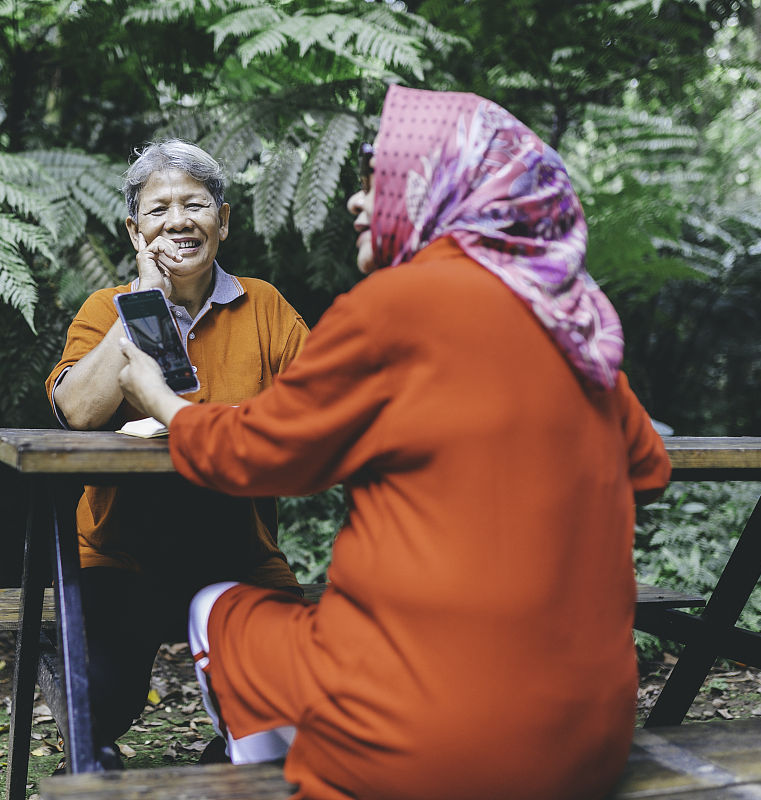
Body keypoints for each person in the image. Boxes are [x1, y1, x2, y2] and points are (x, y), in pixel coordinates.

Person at [116, 87, 672, 799]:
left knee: (215, 608)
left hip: (429, 736)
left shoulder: (396, 305)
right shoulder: (574, 324)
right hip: (593, 737)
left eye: (381, 178)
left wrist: (162, 399)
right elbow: (648, 469)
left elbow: (256, 453)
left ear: (447, 187)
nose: (358, 200)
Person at [45, 139, 310, 756]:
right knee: (100, 706)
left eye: (195, 205)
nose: (178, 222)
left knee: (282, 710)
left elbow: (321, 408)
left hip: (238, 550)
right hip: (118, 555)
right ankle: (89, 723)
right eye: (159, 210)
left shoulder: (264, 305)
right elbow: (79, 412)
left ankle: (230, 754)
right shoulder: (102, 309)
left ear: (223, 220)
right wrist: (142, 298)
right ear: (134, 230)